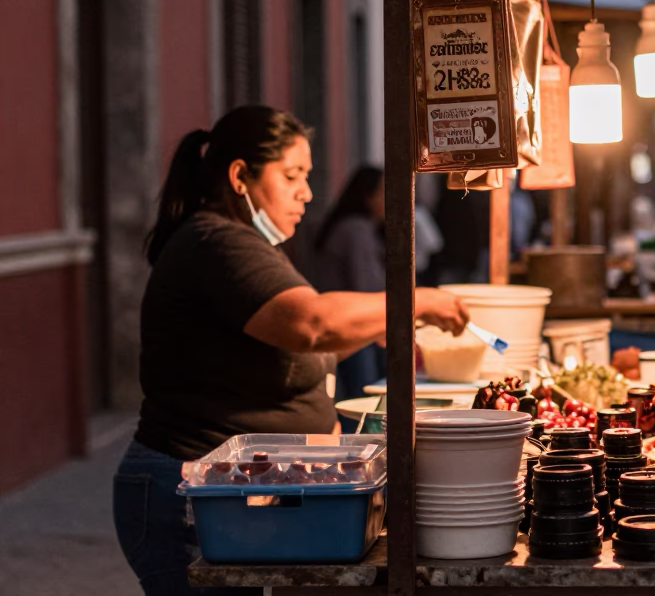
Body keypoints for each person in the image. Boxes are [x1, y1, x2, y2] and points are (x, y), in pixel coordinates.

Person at [113, 106, 468, 595]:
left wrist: (369, 328)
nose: (307, 192)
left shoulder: (255, 246)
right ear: (241, 176)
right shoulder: (216, 243)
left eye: (307, 175)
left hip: (243, 499)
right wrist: (416, 301)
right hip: (190, 501)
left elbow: (303, 342)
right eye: (292, 175)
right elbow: (310, 324)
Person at [313, 166, 389, 403]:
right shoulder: (356, 229)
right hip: (352, 324)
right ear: (368, 196)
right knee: (363, 397)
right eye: (384, 192)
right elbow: (364, 285)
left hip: (350, 321)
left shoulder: (358, 227)